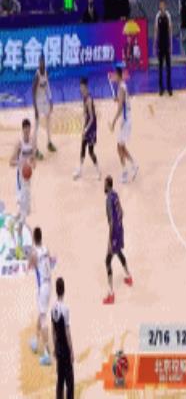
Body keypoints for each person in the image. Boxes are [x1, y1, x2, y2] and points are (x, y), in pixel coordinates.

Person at [103, 175, 133, 304]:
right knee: (119, 252)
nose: (103, 187)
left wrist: (110, 240)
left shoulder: (108, 200)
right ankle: (129, 277)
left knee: (107, 261)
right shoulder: (115, 195)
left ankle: (111, 294)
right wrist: (119, 226)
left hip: (114, 232)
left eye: (104, 184)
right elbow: (122, 212)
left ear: (107, 185)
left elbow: (111, 222)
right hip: (120, 229)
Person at [9, 119, 36, 260]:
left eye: (28, 129)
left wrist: (32, 163)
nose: (27, 131)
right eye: (25, 129)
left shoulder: (32, 141)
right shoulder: (19, 143)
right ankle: (19, 247)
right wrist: (20, 163)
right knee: (24, 216)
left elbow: (33, 158)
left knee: (25, 212)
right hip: (20, 181)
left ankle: (12, 223)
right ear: (22, 129)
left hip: (28, 181)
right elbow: (10, 161)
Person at [29, 227, 55, 366]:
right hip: (49, 284)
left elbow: (30, 266)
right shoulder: (46, 249)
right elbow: (51, 262)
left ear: (34, 238)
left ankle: (47, 353)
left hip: (43, 288)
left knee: (43, 318)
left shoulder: (34, 252)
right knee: (41, 312)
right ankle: (36, 340)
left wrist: (29, 255)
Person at [110, 67, 139, 184]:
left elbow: (120, 108)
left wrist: (113, 122)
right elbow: (123, 102)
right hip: (126, 119)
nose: (113, 77)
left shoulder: (121, 88)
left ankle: (126, 172)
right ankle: (133, 165)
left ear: (119, 76)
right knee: (121, 147)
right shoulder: (123, 86)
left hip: (125, 120)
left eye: (115, 75)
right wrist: (118, 99)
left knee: (119, 147)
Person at [73, 78, 101, 180]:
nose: (80, 88)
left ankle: (98, 171)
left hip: (92, 126)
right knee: (82, 147)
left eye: (81, 87)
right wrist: (83, 125)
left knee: (90, 151)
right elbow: (85, 114)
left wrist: (86, 129)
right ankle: (80, 170)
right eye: (80, 87)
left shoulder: (89, 99)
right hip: (87, 124)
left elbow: (92, 117)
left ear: (85, 87)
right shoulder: (84, 97)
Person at [51, 277, 74, 399]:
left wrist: (55, 347)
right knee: (69, 381)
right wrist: (71, 350)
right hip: (65, 348)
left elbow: (53, 330)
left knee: (60, 379)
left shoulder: (53, 308)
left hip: (58, 347)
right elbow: (67, 331)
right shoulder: (65, 309)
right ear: (64, 290)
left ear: (56, 290)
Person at [32, 55, 56, 160]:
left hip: (45, 100)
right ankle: (35, 150)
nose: (42, 63)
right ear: (38, 63)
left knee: (49, 120)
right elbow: (33, 92)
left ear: (44, 62)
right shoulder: (37, 75)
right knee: (36, 126)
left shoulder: (46, 72)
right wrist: (35, 109)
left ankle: (49, 143)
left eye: (43, 62)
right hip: (38, 101)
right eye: (40, 62)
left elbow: (48, 87)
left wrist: (51, 100)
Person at [154, 0, 173, 96]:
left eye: (163, 5)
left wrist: (171, 44)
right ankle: (161, 88)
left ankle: (169, 88)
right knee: (160, 67)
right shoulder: (157, 16)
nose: (162, 6)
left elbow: (170, 31)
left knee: (168, 67)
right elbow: (156, 31)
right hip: (160, 44)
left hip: (166, 43)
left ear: (165, 6)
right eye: (160, 5)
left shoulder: (168, 15)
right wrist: (155, 45)